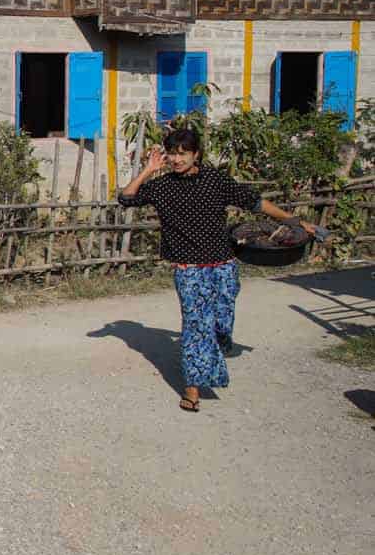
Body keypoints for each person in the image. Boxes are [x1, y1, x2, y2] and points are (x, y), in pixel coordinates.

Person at [118, 128, 318, 413]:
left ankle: (216, 344)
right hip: (189, 268)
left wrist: (295, 221)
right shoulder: (162, 186)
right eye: (172, 154)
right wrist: (148, 170)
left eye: (182, 154)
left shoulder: (215, 180)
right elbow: (126, 198)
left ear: (195, 153)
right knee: (196, 326)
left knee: (222, 319)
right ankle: (192, 389)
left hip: (223, 265)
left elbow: (255, 202)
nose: (176, 160)